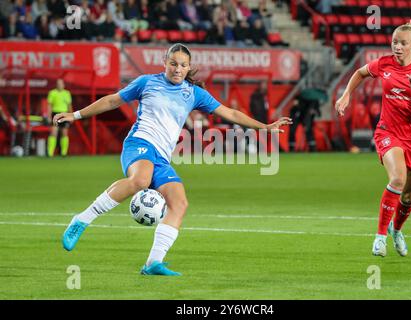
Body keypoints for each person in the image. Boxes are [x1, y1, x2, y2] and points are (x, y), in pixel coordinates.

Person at [54, 43, 291, 276]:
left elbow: (229, 113)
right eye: (173, 64)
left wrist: (265, 127)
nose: (177, 69)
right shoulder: (147, 82)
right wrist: (75, 115)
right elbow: (113, 100)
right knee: (141, 181)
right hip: (139, 144)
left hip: (161, 157)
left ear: (189, 68)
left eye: (183, 65)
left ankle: (153, 263)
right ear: (164, 63)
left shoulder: (194, 93)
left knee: (179, 203)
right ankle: (82, 220)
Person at [335, 22, 411, 257]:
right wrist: (346, 95)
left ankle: (396, 230)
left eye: (403, 43)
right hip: (389, 132)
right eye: (395, 42)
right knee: (397, 179)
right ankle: (379, 237)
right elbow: (360, 73)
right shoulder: (384, 63)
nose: (397, 47)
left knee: (408, 197)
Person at [47, 79, 73, 157]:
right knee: (53, 132)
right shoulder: (52, 93)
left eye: (61, 83)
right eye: (58, 83)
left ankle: (63, 153)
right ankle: (50, 153)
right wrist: (48, 116)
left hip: (64, 114)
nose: (59, 85)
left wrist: (71, 116)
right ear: (56, 84)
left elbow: (69, 106)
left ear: (63, 84)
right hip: (55, 114)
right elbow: (49, 106)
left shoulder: (67, 93)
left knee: (64, 133)